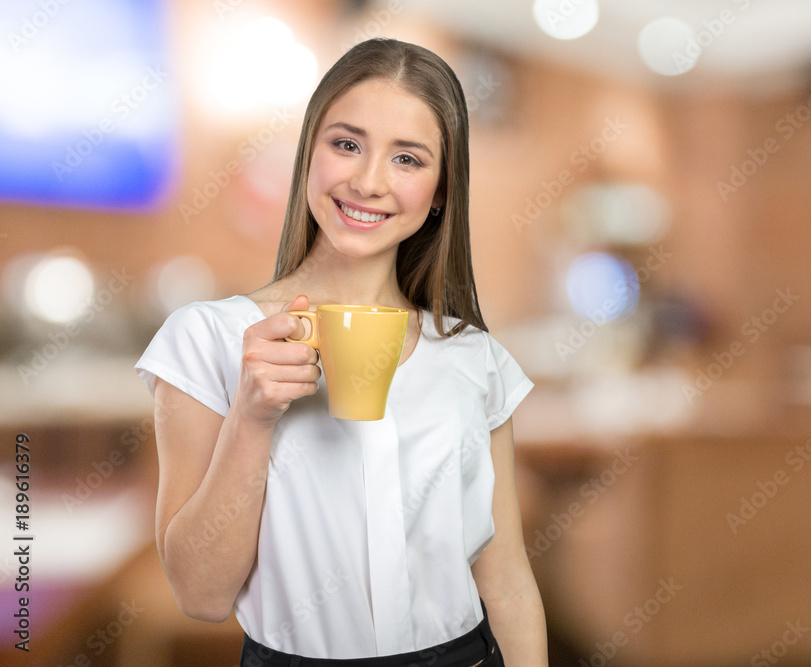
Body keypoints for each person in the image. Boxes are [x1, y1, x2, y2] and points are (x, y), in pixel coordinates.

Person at [135, 38, 547, 666]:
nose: (368, 180)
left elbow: (508, 581)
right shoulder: (207, 340)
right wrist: (252, 415)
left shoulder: (473, 357)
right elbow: (200, 595)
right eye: (347, 144)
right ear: (309, 156)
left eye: (408, 158)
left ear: (441, 190)